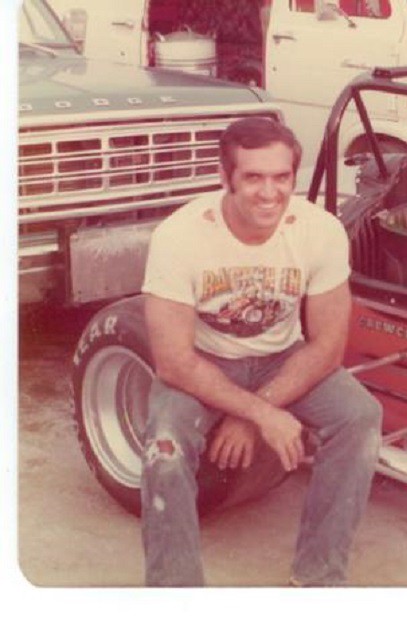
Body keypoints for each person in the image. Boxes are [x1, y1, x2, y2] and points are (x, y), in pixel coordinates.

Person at [139, 116, 382, 587]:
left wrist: (253, 413)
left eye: (281, 177)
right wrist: (262, 414)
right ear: (225, 176)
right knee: (165, 449)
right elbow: (173, 361)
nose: (268, 193)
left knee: (360, 417)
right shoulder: (179, 236)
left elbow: (328, 346)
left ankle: (318, 579)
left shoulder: (321, 230)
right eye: (252, 177)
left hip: (281, 358)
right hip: (203, 364)